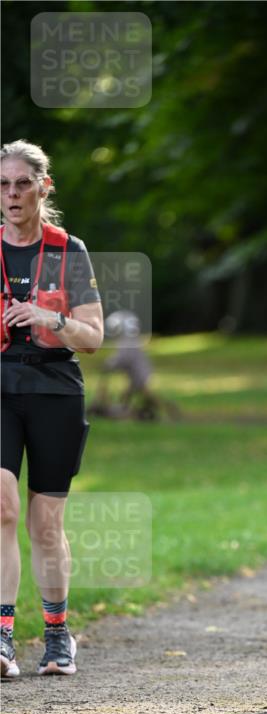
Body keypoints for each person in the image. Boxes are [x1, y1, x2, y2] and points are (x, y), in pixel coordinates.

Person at [0, 140, 103, 679]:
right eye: (3, 185)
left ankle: (59, 634)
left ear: (44, 186)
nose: (12, 194)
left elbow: (94, 337)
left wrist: (48, 315)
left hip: (56, 388)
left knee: (44, 522)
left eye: (22, 183)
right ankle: (2, 636)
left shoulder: (68, 251)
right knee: (2, 507)